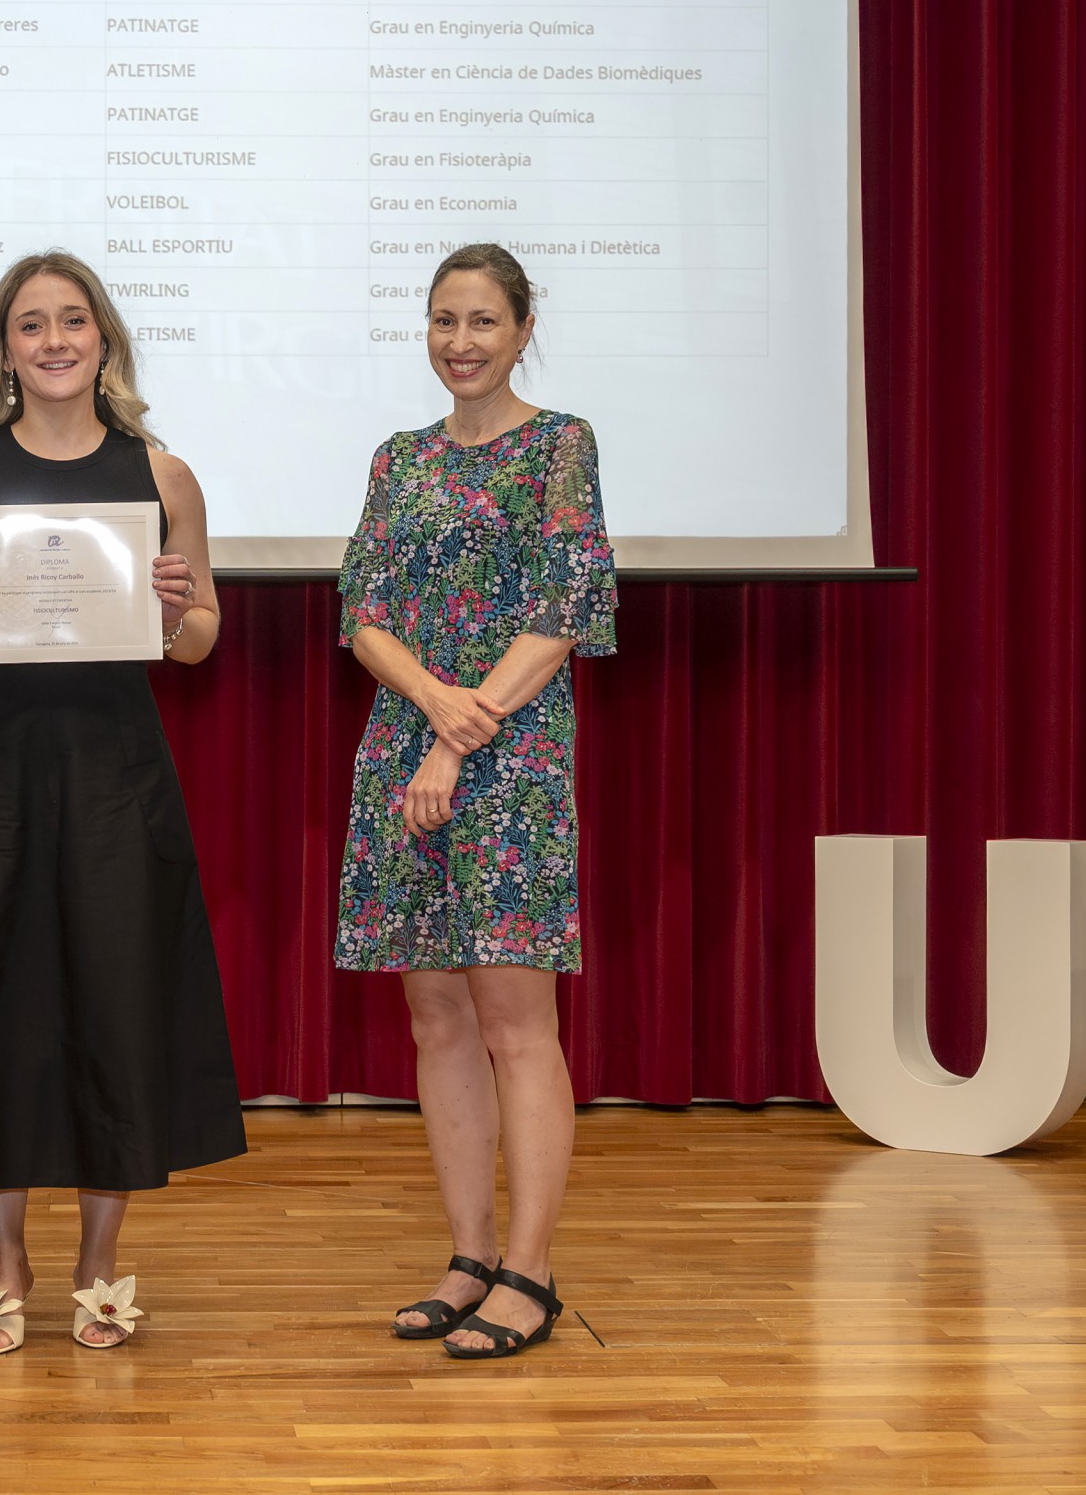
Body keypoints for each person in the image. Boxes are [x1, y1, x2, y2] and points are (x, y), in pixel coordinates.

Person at [0, 250, 244, 1354]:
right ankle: (2, 1261)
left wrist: (173, 609)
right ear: (4, 347)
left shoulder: (162, 476)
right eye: (31, 324)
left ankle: (100, 1264)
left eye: (73, 321)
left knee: (118, 1003)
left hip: (117, 775)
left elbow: (200, 638)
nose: (54, 340)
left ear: (103, 340)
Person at [335, 241, 617, 1360]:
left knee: (514, 1023)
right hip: (405, 749)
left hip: (510, 761)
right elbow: (361, 613)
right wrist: (431, 708)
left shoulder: (559, 446)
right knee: (436, 1018)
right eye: (444, 320)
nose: (461, 342)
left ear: (522, 330)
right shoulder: (397, 458)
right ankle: (468, 1257)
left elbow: (564, 610)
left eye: (484, 321)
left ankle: (530, 1273)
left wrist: (460, 733)